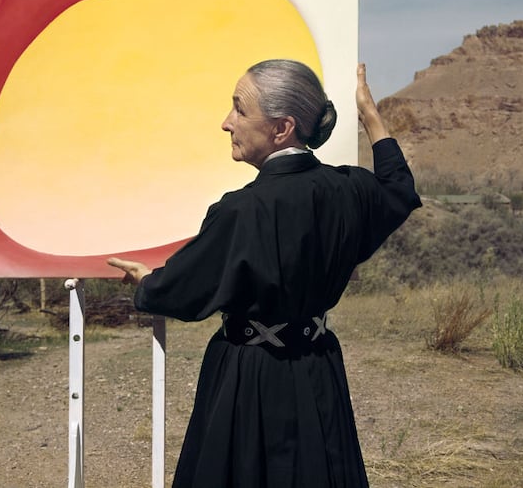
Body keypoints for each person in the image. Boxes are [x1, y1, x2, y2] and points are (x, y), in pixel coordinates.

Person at [108, 60, 421, 488]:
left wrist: (145, 283)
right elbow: (399, 189)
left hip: (251, 377)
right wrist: (370, 115)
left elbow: (178, 291)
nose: (226, 122)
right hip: (319, 367)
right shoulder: (350, 190)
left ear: (282, 128)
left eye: (239, 109)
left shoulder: (241, 210)